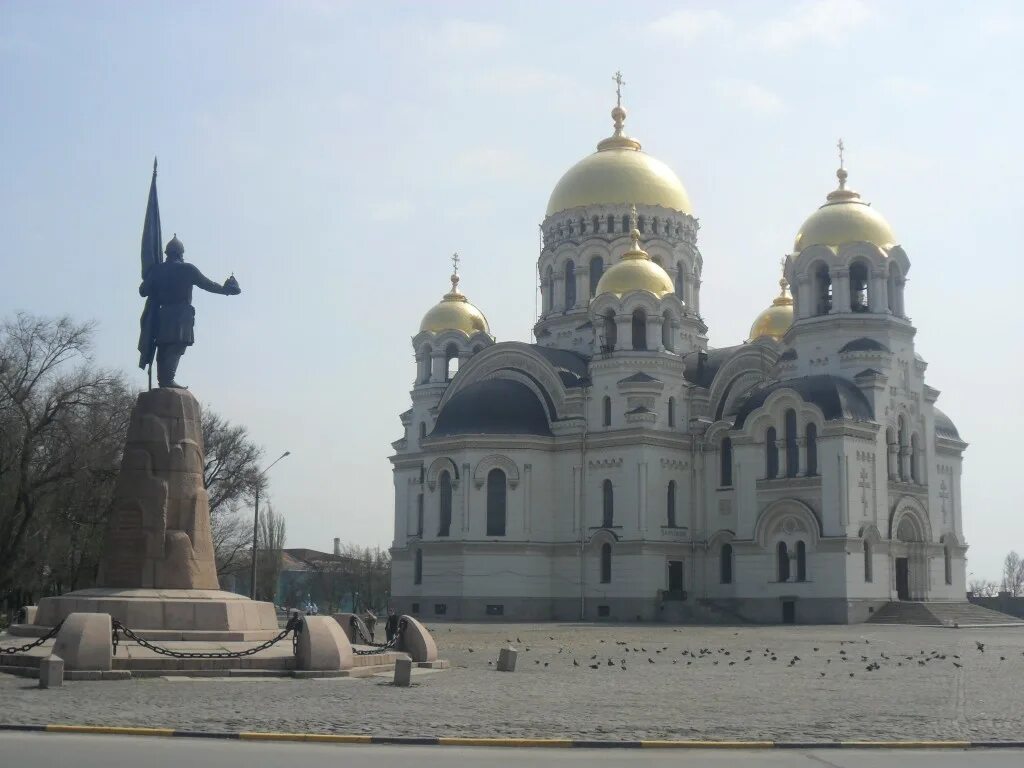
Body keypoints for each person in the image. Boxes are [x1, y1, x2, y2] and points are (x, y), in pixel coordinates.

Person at [138, 235, 240, 388]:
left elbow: (142, 291)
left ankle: (164, 381)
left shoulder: (156, 270)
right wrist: (226, 290)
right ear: (180, 254)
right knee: (176, 345)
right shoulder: (187, 269)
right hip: (181, 315)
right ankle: (167, 379)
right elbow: (208, 285)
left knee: (163, 346)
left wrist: (153, 277)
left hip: (162, 315)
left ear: (167, 253)